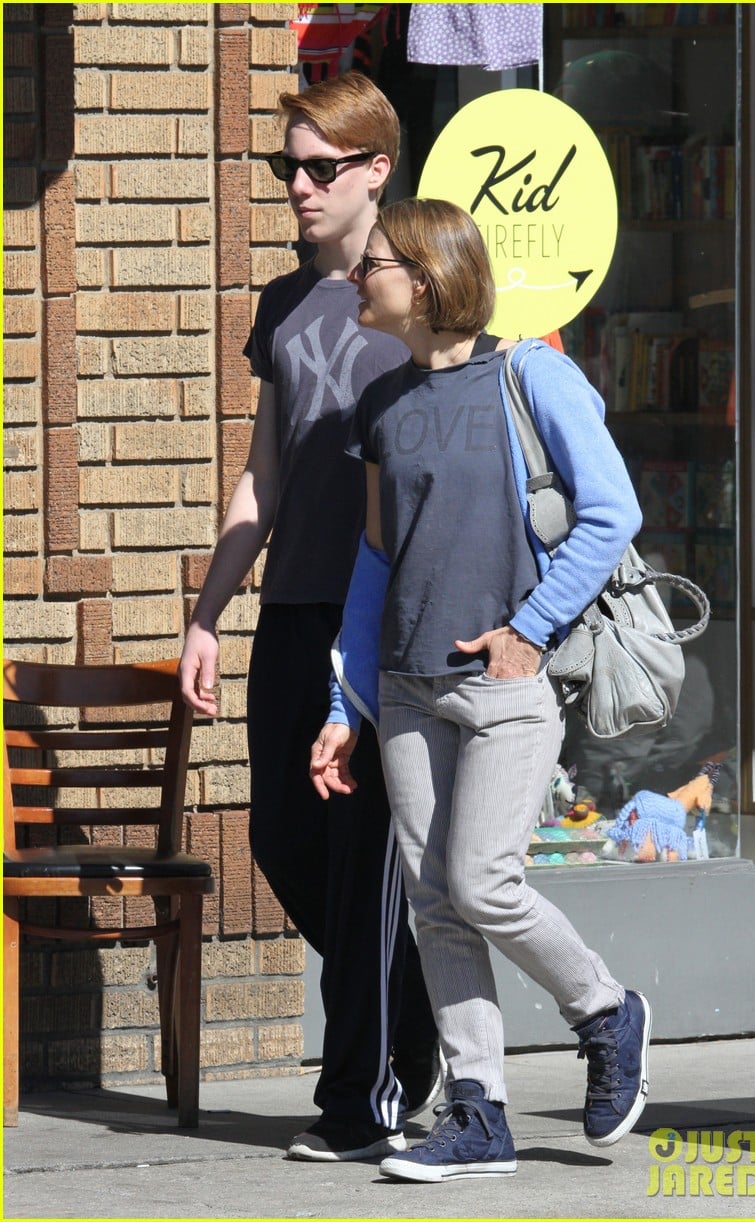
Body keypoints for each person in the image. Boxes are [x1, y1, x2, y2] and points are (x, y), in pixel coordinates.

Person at [309, 198, 653, 1183]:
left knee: (483, 880)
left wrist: (530, 630)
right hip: (407, 690)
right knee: (435, 901)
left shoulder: (528, 375)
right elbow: (376, 560)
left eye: (372, 263)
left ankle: (602, 1007)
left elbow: (609, 510)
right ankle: (478, 1111)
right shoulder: (383, 405)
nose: (354, 277)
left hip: (503, 685)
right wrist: (347, 701)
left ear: (421, 280)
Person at [178, 73, 443, 1163]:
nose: (296, 184)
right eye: (288, 165)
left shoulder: (419, 293)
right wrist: (205, 613)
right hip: (291, 608)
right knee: (280, 836)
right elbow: (263, 479)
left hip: (379, 616)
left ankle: (360, 1095)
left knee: (356, 852)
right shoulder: (284, 304)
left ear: (376, 170)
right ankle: (411, 1019)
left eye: (318, 168)